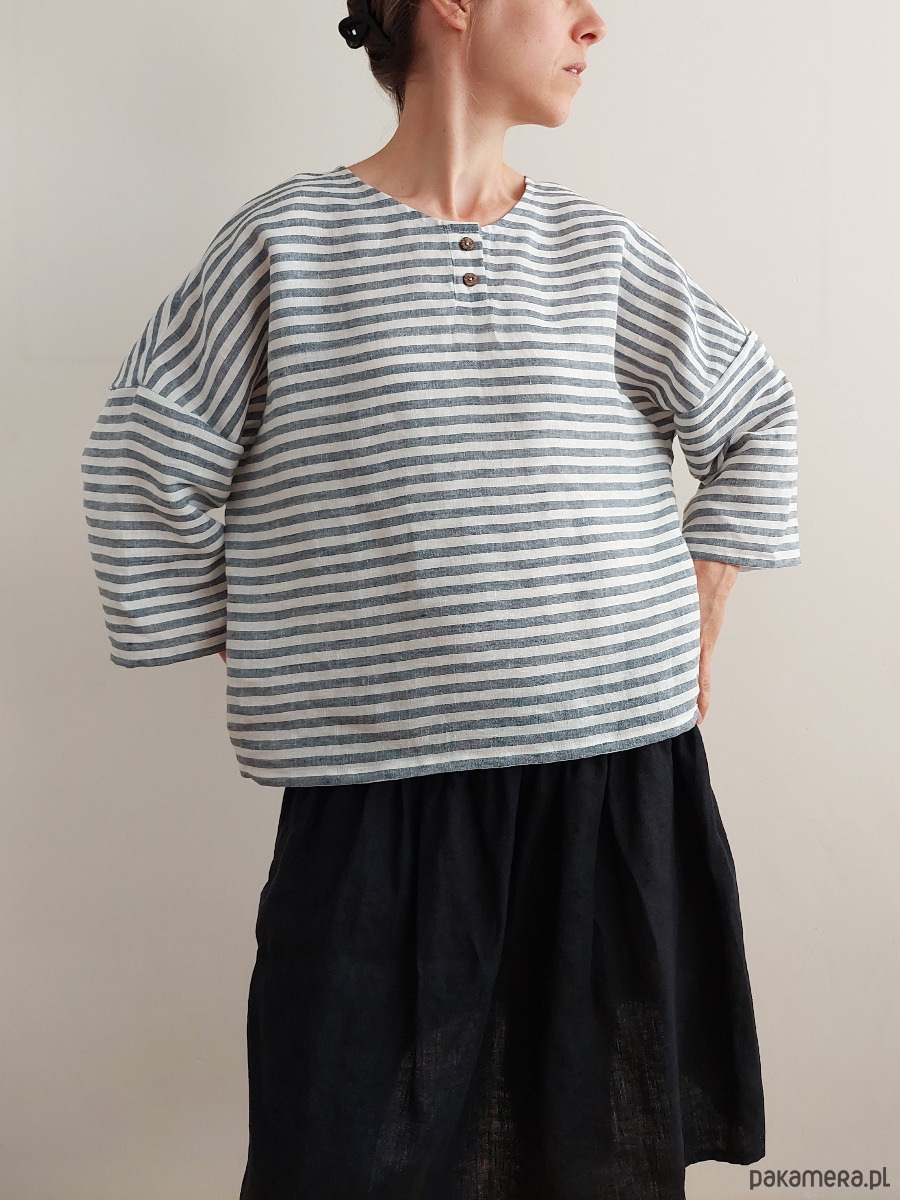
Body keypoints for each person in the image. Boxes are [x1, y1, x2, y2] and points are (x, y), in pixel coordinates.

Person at [79, 0, 802, 1196]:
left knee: (592, 1151)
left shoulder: (601, 251)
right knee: (345, 1147)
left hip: (614, 781)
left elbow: (756, 413)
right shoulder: (286, 243)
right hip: (378, 799)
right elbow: (143, 453)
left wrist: (701, 607)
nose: (594, 23)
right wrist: (264, 650)